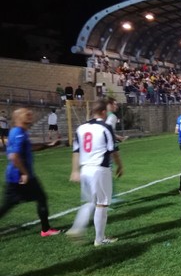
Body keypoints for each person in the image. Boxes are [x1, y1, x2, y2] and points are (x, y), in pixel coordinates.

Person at [67, 100, 124, 246]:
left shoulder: (81, 128)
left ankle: (77, 227)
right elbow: (113, 150)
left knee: (90, 202)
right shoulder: (105, 127)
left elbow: (76, 151)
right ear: (104, 112)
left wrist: (75, 170)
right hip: (100, 169)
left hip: (85, 169)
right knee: (102, 204)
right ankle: (99, 238)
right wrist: (120, 166)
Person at [0, 108, 61, 237]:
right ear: (18, 118)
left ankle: (46, 229)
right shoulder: (18, 133)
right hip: (19, 177)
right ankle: (45, 230)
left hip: (21, 176)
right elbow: (14, 156)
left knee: (37, 198)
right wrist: (25, 173)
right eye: (26, 114)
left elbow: (31, 147)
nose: (30, 115)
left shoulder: (20, 132)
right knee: (9, 205)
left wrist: (49, 145)